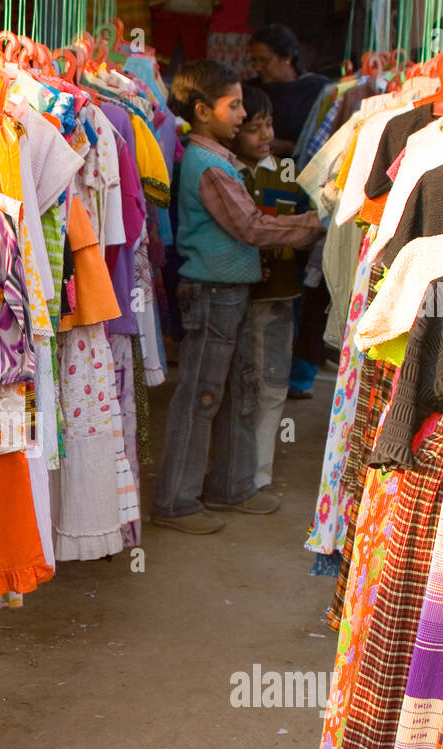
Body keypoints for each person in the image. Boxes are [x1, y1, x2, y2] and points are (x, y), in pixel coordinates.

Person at [151, 60, 322, 536]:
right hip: (212, 294)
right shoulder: (209, 166)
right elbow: (251, 227)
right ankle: (175, 500)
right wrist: (315, 222)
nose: (244, 115)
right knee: (201, 397)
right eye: (235, 105)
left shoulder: (215, 158)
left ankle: (229, 486)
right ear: (203, 111)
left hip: (227, 292)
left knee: (230, 392)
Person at [230, 85, 307, 494]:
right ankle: (234, 470)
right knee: (236, 387)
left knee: (273, 385)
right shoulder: (227, 173)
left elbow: (305, 233)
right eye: (254, 128)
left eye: (269, 126)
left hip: (277, 298)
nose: (264, 136)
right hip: (237, 297)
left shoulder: (287, 173)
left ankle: (259, 474)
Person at [247, 25, 327, 160]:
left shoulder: (316, 89)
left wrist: (290, 147)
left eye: (264, 61)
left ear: (287, 57)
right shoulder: (251, 90)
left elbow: (325, 138)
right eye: (254, 61)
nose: (258, 67)